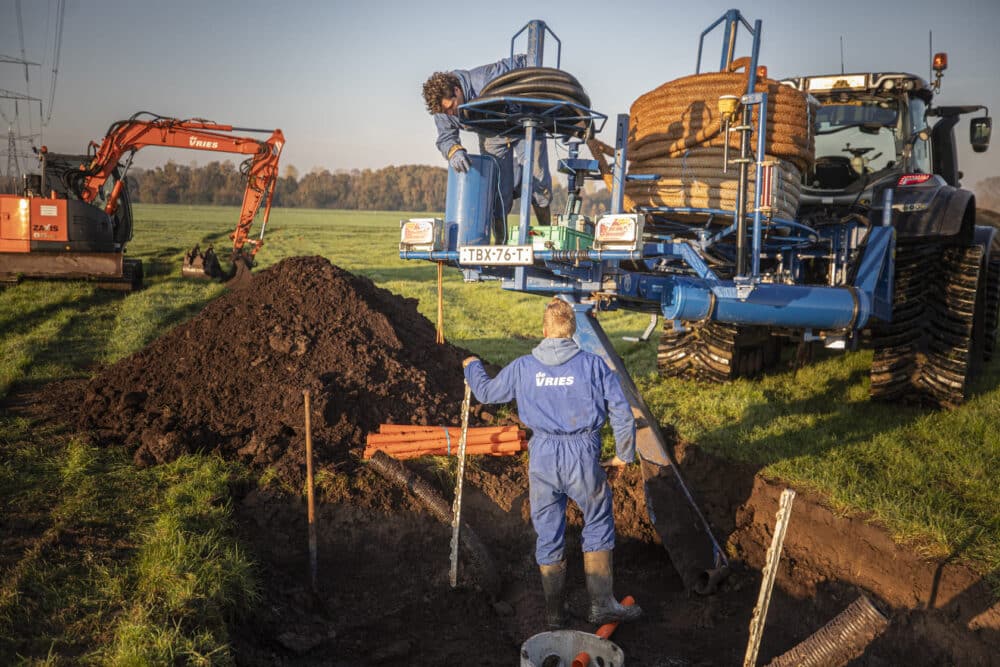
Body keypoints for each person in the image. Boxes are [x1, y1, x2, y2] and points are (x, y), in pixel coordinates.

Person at [462, 297, 642, 629]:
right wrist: (622, 455)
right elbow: (621, 412)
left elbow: (486, 392)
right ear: (572, 332)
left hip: (542, 457)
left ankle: (554, 614)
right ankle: (601, 606)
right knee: (598, 521)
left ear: (544, 331)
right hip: (583, 455)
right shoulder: (592, 365)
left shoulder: (523, 367)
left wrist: (471, 365)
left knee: (548, 530)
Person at [422, 56, 552, 243]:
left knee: (538, 181)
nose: (450, 114)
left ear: (457, 90)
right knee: (498, 192)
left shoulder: (485, 79)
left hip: (525, 123)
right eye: (446, 112)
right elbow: (446, 137)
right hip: (492, 135)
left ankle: (546, 240)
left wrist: (533, 64)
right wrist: (453, 151)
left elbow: (523, 62)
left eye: (451, 108)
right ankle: (500, 243)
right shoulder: (443, 112)